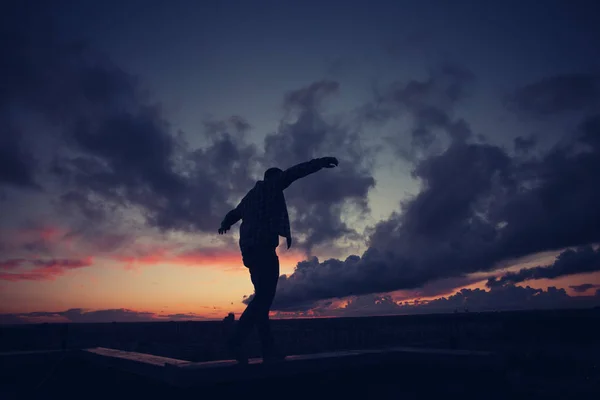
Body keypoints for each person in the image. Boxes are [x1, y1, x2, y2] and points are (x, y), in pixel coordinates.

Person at [218, 156, 339, 364]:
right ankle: (236, 341)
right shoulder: (272, 184)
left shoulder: (250, 196)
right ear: (274, 177)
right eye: (280, 178)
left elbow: (234, 213)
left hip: (250, 253)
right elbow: (296, 171)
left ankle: (268, 350)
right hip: (264, 250)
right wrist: (321, 162)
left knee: (262, 302)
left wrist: (225, 223)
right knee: (264, 298)